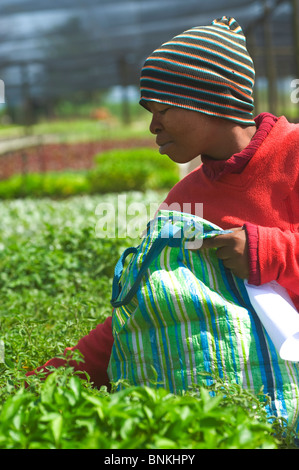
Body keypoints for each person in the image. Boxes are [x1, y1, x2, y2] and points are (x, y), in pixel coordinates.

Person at [26, 16, 299, 403]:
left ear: (211, 98)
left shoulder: (295, 154)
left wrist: (268, 251)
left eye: (164, 108)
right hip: (252, 395)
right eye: (149, 111)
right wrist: (42, 383)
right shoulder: (183, 202)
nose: (153, 125)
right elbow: (148, 310)